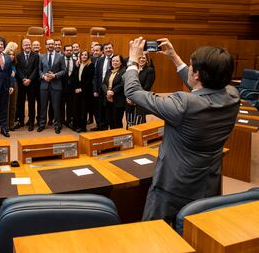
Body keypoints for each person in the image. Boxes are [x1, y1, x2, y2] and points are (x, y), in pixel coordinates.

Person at [124, 37, 240, 224]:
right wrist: (174, 58)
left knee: (154, 234)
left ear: (197, 75)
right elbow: (204, 87)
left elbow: (133, 91)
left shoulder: (183, 104)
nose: (190, 69)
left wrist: (132, 61)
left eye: (191, 66)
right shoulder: (233, 95)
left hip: (172, 187)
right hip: (207, 184)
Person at [38, 38, 66, 134]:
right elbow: (39, 70)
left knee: (56, 107)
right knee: (43, 106)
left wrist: (55, 75)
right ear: (46, 45)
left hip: (56, 85)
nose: (50, 45)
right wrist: (43, 76)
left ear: (54, 45)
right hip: (44, 85)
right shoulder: (42, 57)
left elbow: (64, 70)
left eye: (52, 44)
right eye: (48, 44)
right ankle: (42, 124)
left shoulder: (60, 57)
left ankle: (57, 125)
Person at [125, 53, 155, 128]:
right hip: (129, 100)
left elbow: (147, 87)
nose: (141, 60)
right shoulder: (132, 69)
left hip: (141, 100)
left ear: (147, 60)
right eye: (139, 58)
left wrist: (134, 98)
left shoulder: (149, 70)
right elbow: (127, 83)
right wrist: (128, 97)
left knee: (139, 123)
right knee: (129, 122)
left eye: (144, 58)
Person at [16, 38, 39, 131]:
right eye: (26, 45)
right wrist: (23, 79)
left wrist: (29, 79)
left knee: (31, 104)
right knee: (20, 103)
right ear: (22, 46)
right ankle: (21, 121)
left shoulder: (35, 55)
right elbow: (18, 69)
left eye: (29, 44)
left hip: (32, 84)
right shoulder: (18, 56)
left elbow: (36, 69)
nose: (28, 46)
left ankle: (31, 122)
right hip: (21, 83)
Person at [92, 42, 115, 131]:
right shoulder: (100, 60)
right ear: (103, 51)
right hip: (101, 89)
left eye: (109, 48)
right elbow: (96, 76)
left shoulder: (116, 59)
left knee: (111, 110)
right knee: (100, 109)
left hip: (112, 90)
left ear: (112, 48)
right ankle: (102, 127)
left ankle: (112, 128)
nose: (108, 50)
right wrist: (95, 90)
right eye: (106, 48)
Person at [102, 55, 126, 129]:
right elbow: (103, 83)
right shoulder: (109, 71)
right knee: (110, 121)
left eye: (117, 61)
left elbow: (122, 84)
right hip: (108, 99)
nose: (115, 62)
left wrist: (112, 92)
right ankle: (112, 138)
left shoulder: (124, 71)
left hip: (118, 100)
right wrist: (107, 91)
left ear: (121, 62)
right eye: (113, 61)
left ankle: (119, 139)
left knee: (117, 121)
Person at [73, 50, 94, 132]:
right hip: (77, 91)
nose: (84, 56)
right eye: (82, 55)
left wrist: (81, 89)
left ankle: (83, 127)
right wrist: (76, 88)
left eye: (86, 55)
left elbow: (89, 80)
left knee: (84, 110)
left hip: (86, 91)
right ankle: (76, 126)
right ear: (80, 56)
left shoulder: (91, 65)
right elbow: (74, 77)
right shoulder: (78, 65)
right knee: (76, 109)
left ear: (88, 56)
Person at [61, 44, 78, 129]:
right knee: (61, 105)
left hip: (72, 88)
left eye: (70, 50)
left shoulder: (76, 61)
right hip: (61, 87)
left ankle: (68, 121)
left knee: (70, 105)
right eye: (67, 50)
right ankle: (61, 121)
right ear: (64, 51)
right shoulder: (60, 60)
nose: (69, 52)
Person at [4, 42, 19, 131]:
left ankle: (11, 124)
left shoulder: (14, 63)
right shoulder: (4, 63)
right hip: (6, 85)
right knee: (7, 105)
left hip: (14, 84)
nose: (12, 56)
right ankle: (6, 125)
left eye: (13, 54)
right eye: (10, 54)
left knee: (13, 105)